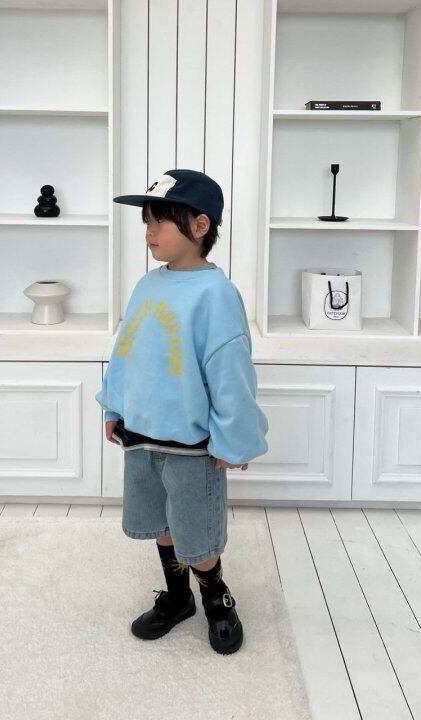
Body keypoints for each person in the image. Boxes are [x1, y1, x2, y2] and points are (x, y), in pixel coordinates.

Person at [95, 168, 269, 655]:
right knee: (162, 524)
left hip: (192, 445)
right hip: (142, 434)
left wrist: (234, 439)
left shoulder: (217, 295)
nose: (148, 232)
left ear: (199, 225)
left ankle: (216, 599)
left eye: (159, 221)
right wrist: (114, 405)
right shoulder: (148, 286)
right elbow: (126, 350)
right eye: (146, 222)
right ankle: (177, 597)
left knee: (197, 533)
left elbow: (230, 372)